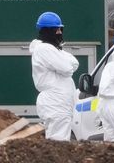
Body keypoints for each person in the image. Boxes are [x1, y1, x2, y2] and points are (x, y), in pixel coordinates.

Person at [29, 11, 79, 141]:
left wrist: (62, 57)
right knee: (58, 142)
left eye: (60, 29)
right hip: (56, 103)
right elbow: (68, 68)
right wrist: (64, 60)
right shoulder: (45, 49)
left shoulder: (53, 49)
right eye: (57, 30)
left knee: (57, 142)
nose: (59, 33)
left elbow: (75, 63)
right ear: (48, 30)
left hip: (58, 103)